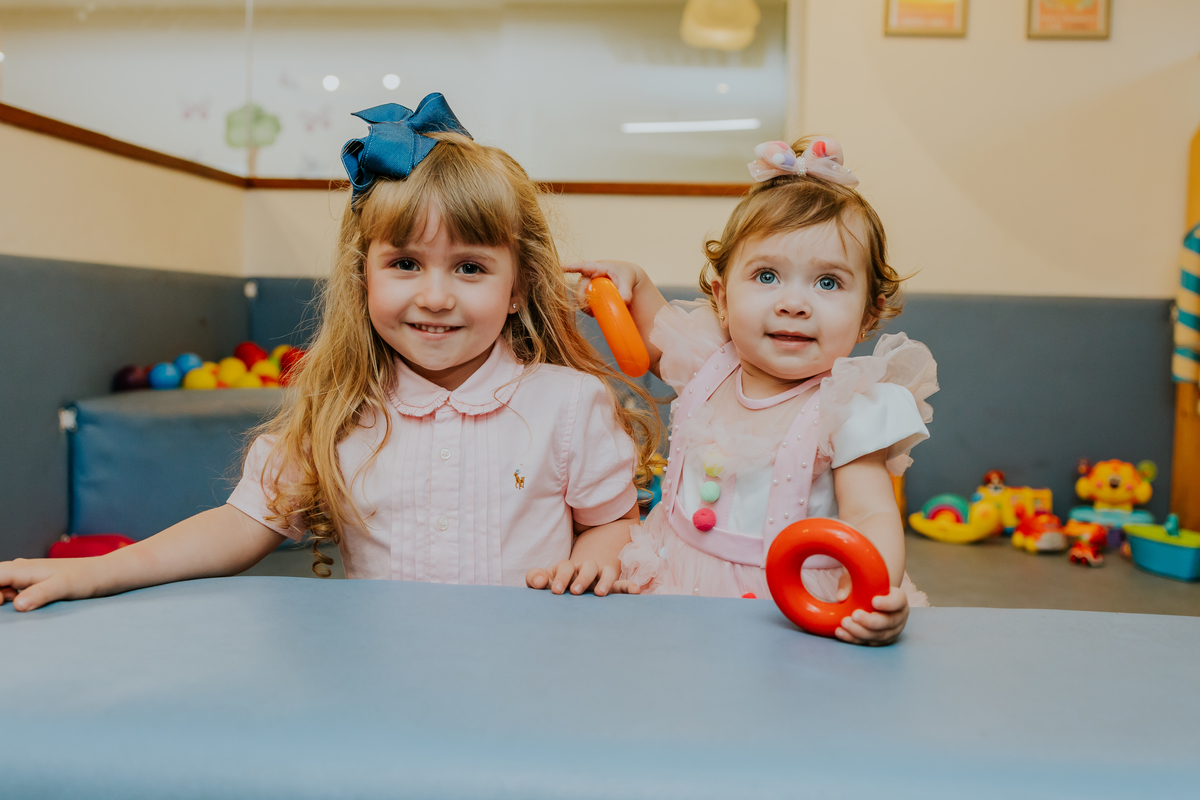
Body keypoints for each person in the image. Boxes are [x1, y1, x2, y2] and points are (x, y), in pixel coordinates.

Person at [0, 93, 657, 612]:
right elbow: (238, 526)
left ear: (518, 288)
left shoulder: (568, 404)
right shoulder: (340, 410)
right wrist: (96, 572)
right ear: (362, 276)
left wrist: (592, 562)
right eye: (405, 263)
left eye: (470, 268)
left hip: (523, 674)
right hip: (382, 682)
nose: (434, 297)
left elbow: (614, 524)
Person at [568, 137, 936, 645]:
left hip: (787, 603)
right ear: (722, 299)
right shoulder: (708, 362)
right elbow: (656, 335)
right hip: (675, 579)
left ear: (869, 314)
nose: (794, 303)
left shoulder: (850, 407)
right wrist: (634, 281)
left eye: (828, 283)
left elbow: (870, 512)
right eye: (767, 276)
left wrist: (873, 591)